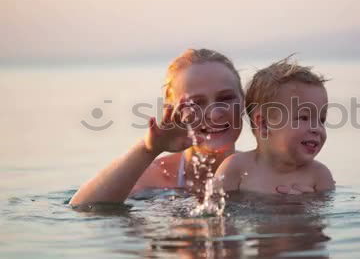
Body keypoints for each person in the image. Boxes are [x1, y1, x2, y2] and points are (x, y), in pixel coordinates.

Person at [70, 49, 313, 206]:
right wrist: (148, 149)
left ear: (245, 103)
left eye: (226, 98)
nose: (215, 113)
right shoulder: (159, 175)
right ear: (173, 111)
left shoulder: (271, 173)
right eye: (195, 103)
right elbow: (83, 209)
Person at [214, 57, 336, 194]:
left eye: (321, 120)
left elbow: (326, 214)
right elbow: (216, 211)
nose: (317, 129)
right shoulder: (235, 169)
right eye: (304, 117)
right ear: (264, 124)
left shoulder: (319, 176)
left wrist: (309, 203)